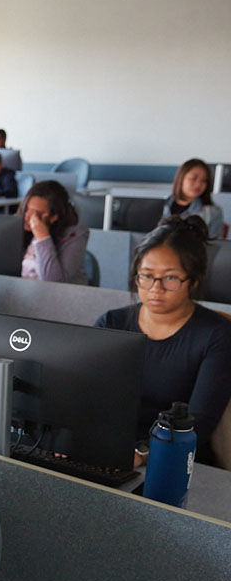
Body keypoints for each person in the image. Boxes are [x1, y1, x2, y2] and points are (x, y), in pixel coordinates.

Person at [95, 217, 231, 466]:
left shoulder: (217, 334)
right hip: (112, 451)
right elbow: (86, 393)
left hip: (178, 460)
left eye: (170, 278)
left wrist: (143, 454)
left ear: (194, 280)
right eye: (146, 276)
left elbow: (199, 422)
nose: (155, 288)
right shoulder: (111, 323)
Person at [18, 180, 89, 284]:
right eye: (27, 209)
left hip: (63, 297)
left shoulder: (75, 235)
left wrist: (42, 237)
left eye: (37, 213)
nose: (27, 217)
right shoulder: (15, 228)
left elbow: (54, 283)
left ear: (54, 217)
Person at [162, 158, 224, 239]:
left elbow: (215, 245)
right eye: (193, 178)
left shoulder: (213, 212)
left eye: (204, 180)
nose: (198, 184)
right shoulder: (161, 205)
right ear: (181, 178)